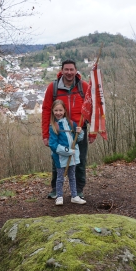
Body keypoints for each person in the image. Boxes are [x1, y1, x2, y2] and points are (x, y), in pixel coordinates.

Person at [42, 59, 88, 199]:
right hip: (59, 130)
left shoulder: (83, 86)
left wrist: (92, 133)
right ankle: (56, 190)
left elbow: (91, 108)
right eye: (66, 70)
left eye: (71, 69)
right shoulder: (53, 88)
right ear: (62, 71)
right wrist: (45, 134)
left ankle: (78, 190)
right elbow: (46, 110)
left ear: (76, 71)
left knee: (79, 161)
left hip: (79, 129)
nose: (69, 72)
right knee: (57, 160)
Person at [48, 100, 86, 206]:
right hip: (60, 158)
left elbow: (77, 139)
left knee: (72, 176)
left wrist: (80, 132)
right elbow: (53, 144)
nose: (58, 112)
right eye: (56, 110)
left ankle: (74, 196)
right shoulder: (54, 126)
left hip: (72, 158)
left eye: (60, 110)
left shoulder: (71, 123)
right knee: (60, 177)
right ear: (53, 111)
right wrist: (67, 152)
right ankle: (59, 196)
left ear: (64, 111)